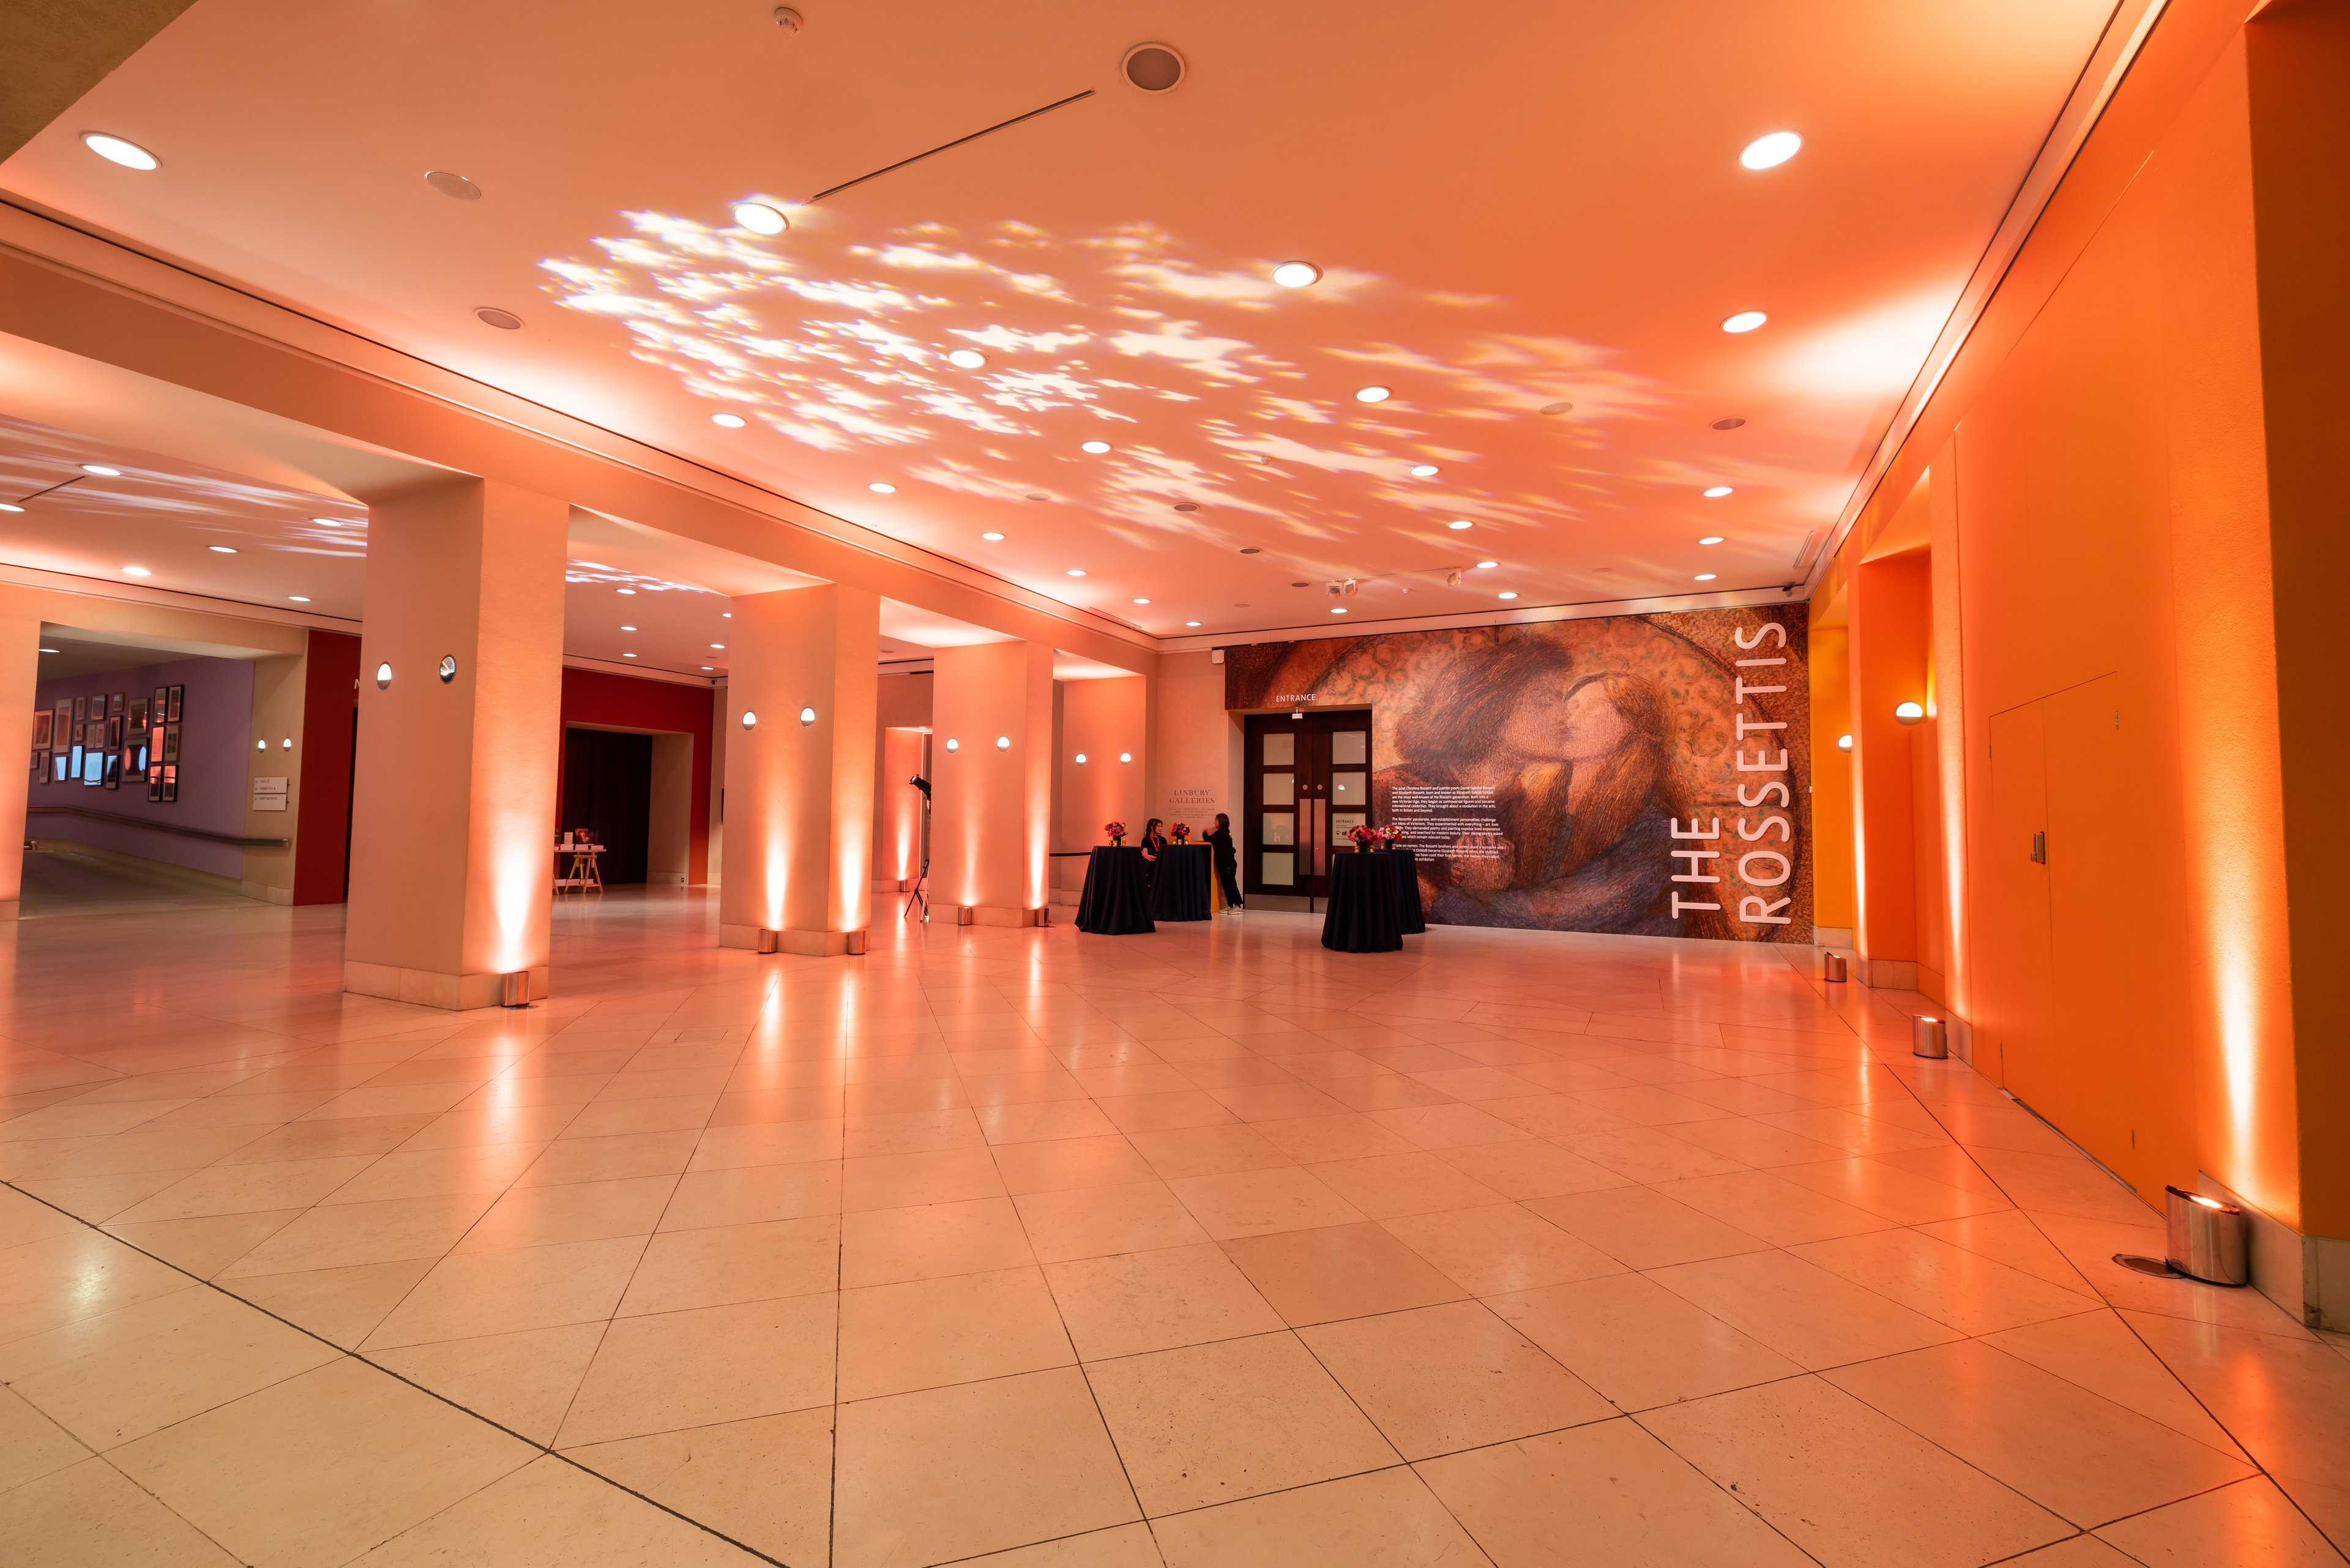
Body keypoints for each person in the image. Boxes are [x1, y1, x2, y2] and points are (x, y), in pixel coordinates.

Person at [1378, 641, 1728, 937]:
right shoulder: (1533, 805)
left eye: (1585, 709)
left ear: (1632, 729)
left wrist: (1439, 897)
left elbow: (1567, 907)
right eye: (1552, 702)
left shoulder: (1652, 826)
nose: (1565, 718)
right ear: (1490, 711)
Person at [1204, 812, 1242, 910]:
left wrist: (1205, 832)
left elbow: (1210, 839)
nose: (1214, 822)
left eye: (1216, 820)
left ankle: (1238, 905)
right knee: (1226, 884)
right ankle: (1230, 905)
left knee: (1231, 884)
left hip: (1228, 863)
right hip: (1225, 863)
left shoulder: (1224, 832)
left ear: (1221, 821)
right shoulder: (1223, 832)